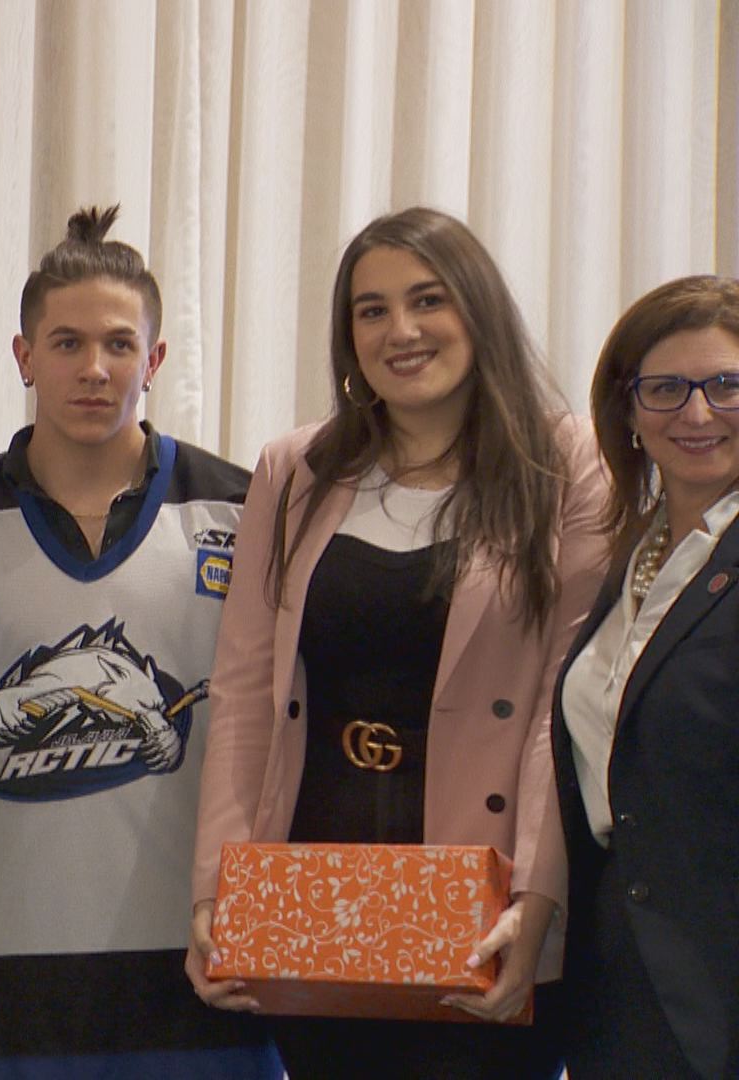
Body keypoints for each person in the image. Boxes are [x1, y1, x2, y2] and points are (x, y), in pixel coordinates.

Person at [185, 207, 611, 1078]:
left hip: (483, 894)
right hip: (314, 891)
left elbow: (562, 705)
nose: (401, 330)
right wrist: (218, 891)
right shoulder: (296, 468)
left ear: (479, 310)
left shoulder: (565, 461)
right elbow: (246, 694)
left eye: (428, 300)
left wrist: (537, 898)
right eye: (371, 310)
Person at [0, 205, 278, 1077]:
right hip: (0, 963)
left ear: (154, 359)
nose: (94, 368)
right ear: (23, 356)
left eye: (120, 344)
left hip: (207, 956)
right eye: (67, 343)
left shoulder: (247, 511)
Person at [553, 275, 739, 1079]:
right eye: (665, 389)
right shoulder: (627, 558)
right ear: (626, 410)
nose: (696, 414)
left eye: (726, 385)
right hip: (621, 969)